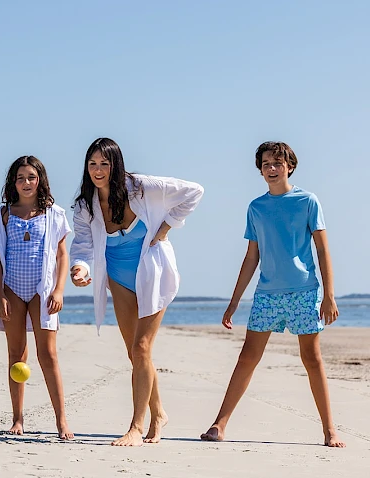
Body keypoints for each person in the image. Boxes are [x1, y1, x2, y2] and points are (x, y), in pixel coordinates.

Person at [201, 142, 345, 447]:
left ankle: (329, 430)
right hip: (267, 294)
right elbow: (251, 256)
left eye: (278, 163)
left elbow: (322, 249)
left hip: (304, 291)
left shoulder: (307, 201)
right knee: (247, 357)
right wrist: (234, 301)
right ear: (260, 169)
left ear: (289, 166)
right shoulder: (256, 207)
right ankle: (219, 424)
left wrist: (329, 296)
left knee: (312, 359)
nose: (272, 168)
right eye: (266, 164)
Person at [69, 138, 203, 446]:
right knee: (135, 353)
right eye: (92, 164)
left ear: (117, 165)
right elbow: (83, 246)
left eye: (105, 164)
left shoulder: (141, 187)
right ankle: (158, 413)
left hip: (153, 275)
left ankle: (136, 427)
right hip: (117, 277)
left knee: (142, 348)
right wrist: (80, 269)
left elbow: (194, 191)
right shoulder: (84, 205)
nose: (98, 170)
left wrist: (167, 225)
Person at [0, 156, 74, 440]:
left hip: (42, 289)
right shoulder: (5, 214)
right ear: (13, 182)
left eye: (31, 177)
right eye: (20, 178)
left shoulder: (54, 214)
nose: (26, 182)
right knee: (16, 355)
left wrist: (59, 289)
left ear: (40, 180)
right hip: (12, 289)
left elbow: (61, 254)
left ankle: (61, 420)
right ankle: (17, 419)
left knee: (49, 355)